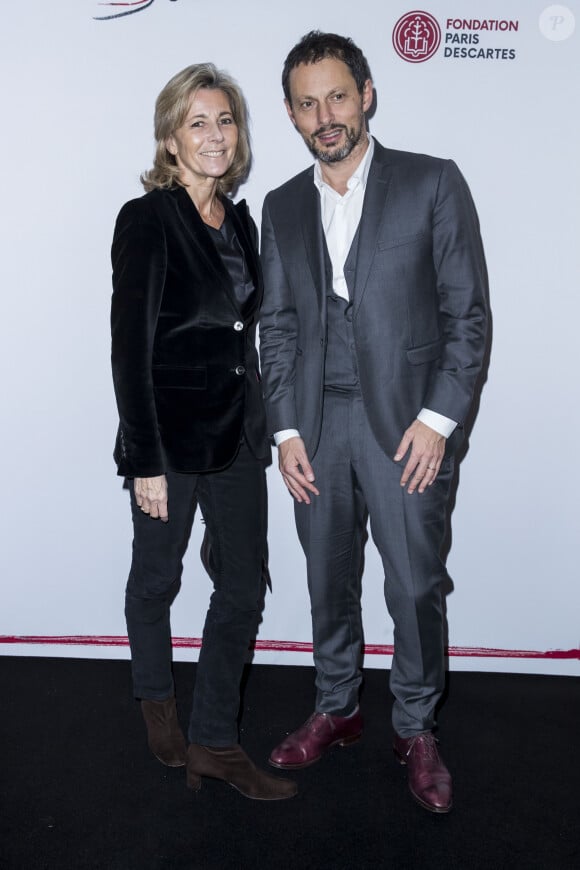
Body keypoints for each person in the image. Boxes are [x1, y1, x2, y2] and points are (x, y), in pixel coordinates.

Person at [259, 32, 488, 813]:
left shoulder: (431, 183)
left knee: (416, 585)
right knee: (328, 581)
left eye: (337, 96)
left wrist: (437, 420)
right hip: (318, 427)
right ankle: (338, 706)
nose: (325, 114)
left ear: (366, 95)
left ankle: (417, 725)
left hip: (405, 429)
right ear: (291, 115)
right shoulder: (282, 205)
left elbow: (469, 317)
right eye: (307, 102)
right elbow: (279, 328)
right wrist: (285, 431)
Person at [110, 63, 296, 801]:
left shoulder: (242, 220)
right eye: (198, 122)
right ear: (170, 137)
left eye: (226, 120)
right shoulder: (147, 219)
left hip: (238, 436)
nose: (215, 135)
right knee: (159, 576)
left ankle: (215, 740)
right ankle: (157, 700)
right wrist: (145, 457)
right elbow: (130, 348)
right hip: (168, 437)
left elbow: (241, 333)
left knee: (244, 584)